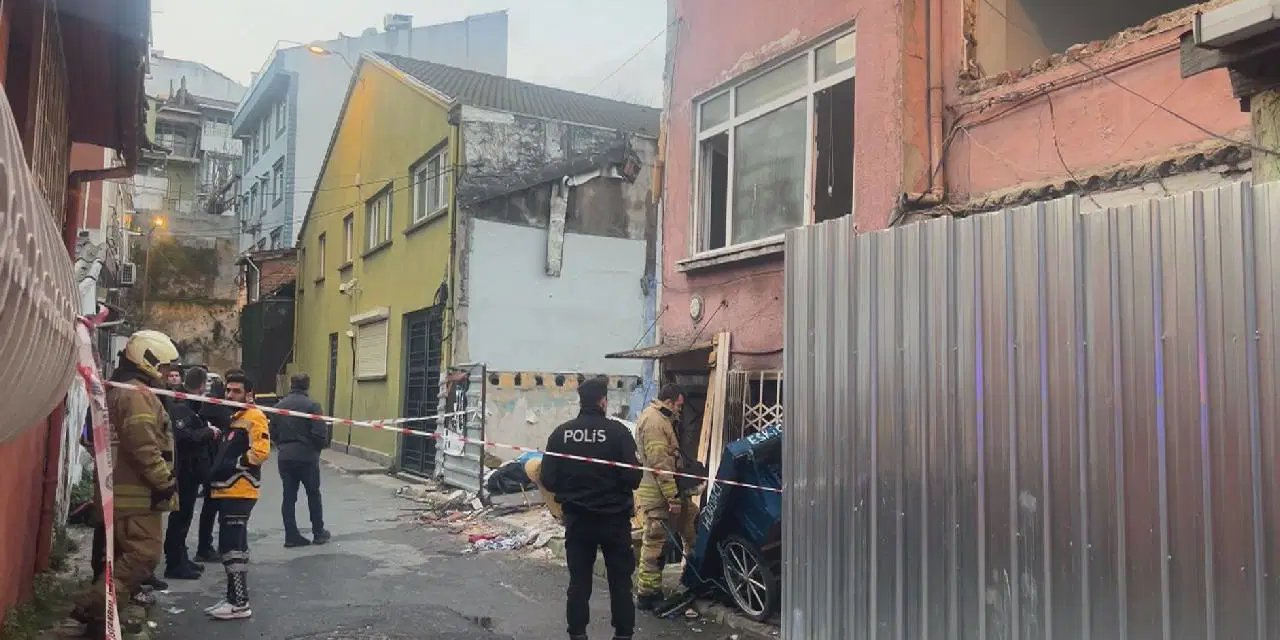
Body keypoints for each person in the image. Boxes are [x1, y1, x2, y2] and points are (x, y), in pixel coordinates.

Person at [71, 330, 181, 637]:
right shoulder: (137, 394)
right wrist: (163, 481)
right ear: (147, 360)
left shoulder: (117, 388)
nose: (165, 374)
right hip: (137, 497)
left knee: (119, 557)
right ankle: (92, 606)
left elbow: (89, 438)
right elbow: (143, 444)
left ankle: (103, 621)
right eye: (162, 367)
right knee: (144, 555)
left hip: (117, 493)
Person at [540, 377, 642, 640]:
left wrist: (573, 489)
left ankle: (577, 633)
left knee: (579, 582)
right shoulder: (618, 433)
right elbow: (634, 477)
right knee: (620, 581)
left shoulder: (561, 433)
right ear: (603, 401)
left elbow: (548, 479)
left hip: (578, 520)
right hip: (614, 520)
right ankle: (623, 634)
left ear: (581, 400)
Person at [204, 371, 271, 620]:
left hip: (239, 490)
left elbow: (261, 451)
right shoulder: (236, 417)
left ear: (249, 394)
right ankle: (234, 599)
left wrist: (235, 464)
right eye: (228, 390)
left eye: (236, 391)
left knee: (233, 548)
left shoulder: (254, 417)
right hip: (227, 490)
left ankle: (239, 603)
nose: (230, 394)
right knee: (233, 547)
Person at [633, 383, 696, 611]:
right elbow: (661, 463)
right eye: (679, 405)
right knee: (655, 545)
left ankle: (693, 577)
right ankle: (648, 594)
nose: (681, 410)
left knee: (692, 525)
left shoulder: (662, 419)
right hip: (658, 495)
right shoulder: (655, 422)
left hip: (667, 492)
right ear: (669, 402)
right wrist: (672, 498)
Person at [162, 366, 220, 579]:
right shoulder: (182, 408)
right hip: (185, 471)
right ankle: (174, 563)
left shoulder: (190, 407)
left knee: (184, 517)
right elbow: (185, 437)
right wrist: (208, 432)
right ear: (202, 384)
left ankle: (181, 558)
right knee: (180, 516)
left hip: (192, 471)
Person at [270, 373, 332, 547]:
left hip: (285, 456)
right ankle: (318, 532)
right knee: (313, 493)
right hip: (306, 457)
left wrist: (283, 445)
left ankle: (291, 535)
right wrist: (315, 449)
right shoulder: (312, 406)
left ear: (291, 385)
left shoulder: (279, 406)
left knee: (288, 496)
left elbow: (272, 432)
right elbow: (320, 434)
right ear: (307, 386)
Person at [194, 371, 235, 563]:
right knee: (215, 507)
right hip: (217, 462)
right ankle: (207, 547)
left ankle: (207, 545)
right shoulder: (217, 408)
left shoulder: (206, 406)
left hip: (211, 462)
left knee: (211, 508)